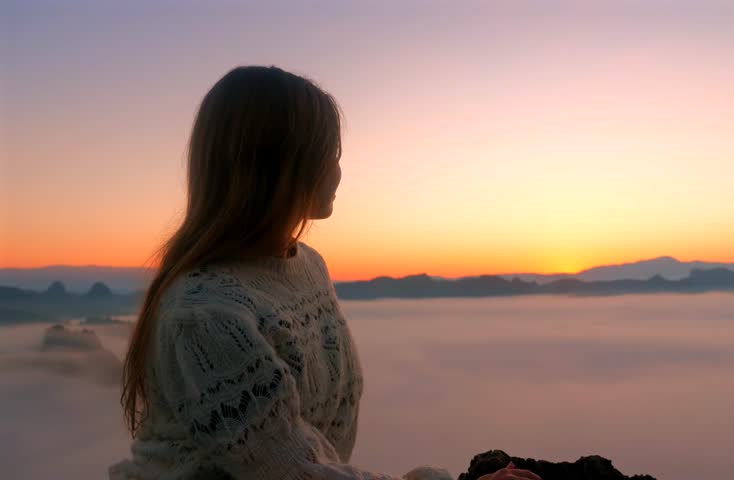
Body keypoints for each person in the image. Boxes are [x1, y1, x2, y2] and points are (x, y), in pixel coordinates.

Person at [108, 65, 543, 480]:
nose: (338, 171)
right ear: (277, 165)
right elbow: (293, 474)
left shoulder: (308, 265)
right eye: (328, 155)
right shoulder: (205, 315)